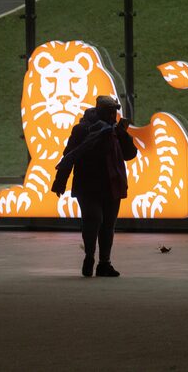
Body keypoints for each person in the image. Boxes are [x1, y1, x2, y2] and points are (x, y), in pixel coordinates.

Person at [51, 96, 137, 277]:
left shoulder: (115, 131)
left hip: (112, 184)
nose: (113, 115)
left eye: (114, 111)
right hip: (88, 185)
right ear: (99, 111)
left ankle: (104, 263)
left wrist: (123, 134)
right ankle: (90, 256)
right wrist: (61, 180)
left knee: (107, 225)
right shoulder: (83, 130)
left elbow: (130, 155)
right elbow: (70, 156)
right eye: (109, 111)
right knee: (93, 220)